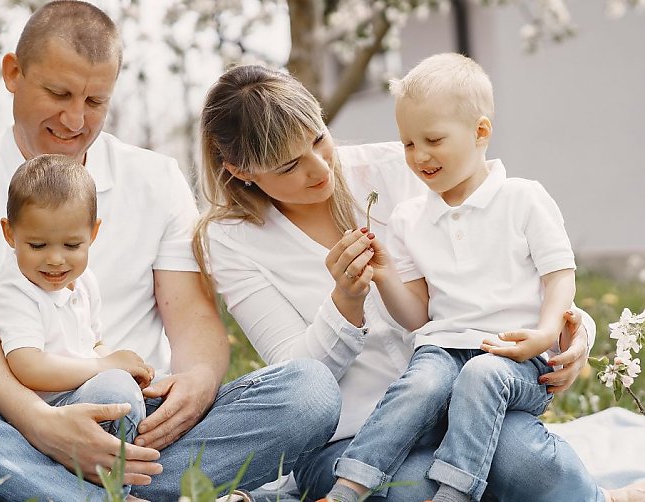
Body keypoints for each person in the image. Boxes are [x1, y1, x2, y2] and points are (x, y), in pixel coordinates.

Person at [0, 2, 341, 501]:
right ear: (13, 73)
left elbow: (193, 319)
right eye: (58, 93)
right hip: (11, 422)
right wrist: (40, 424)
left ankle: (53, 491)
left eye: (95, 100)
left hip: (143, 429)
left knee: (309, 392)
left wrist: (198, 383)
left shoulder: (155, 178)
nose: (75, 118)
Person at [195, 64, 643, 502]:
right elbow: (299, 385)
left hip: (465, 398)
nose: (319, 169)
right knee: (417, 488)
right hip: (351, 436)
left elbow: (506, 266)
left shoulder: (403, 165)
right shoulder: (232, 240)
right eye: (290, 165)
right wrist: (345, 305)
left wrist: (572, 328)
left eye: (318, 139)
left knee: (523, 462)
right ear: (240, 170)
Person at [320, 53, 575, 502]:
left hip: (516, 356)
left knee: (481, 375)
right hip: (442, 347)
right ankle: (348, 488)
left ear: (480, 132)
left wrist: (545, 332)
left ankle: (455, 494)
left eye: (433, 139)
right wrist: (384, 276)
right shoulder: (408, 217)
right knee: (420, 382)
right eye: (407, 144)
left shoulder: (523, 198)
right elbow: (416, 316)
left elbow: (559, 275)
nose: (419, 156)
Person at [0, 154, 152, 456]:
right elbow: (28, 366)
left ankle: (147, 461)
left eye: (72, 246)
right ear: (10, 234)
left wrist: (121, 361)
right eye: (37, 245)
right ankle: (116, 481)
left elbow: (92, 343)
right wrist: (106, 366)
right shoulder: (16, 292)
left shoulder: (84, 282)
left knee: (157, 390)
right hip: (42, 415)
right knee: (115, 393)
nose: (56, 259)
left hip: (79, 391)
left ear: (93, 233)